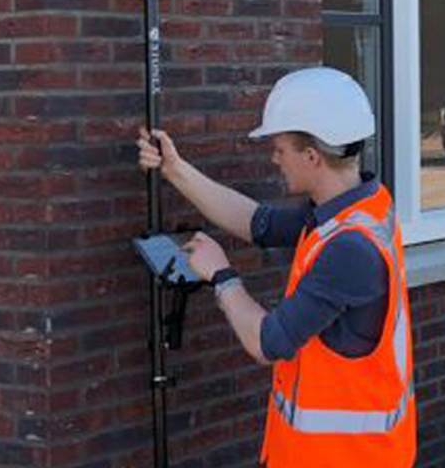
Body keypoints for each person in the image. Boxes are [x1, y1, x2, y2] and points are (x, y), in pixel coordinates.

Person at [136, 67, 416, 468]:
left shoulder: (349, 248)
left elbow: (267, 343)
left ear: (312, 157)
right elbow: (258, 223)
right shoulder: (358, 207)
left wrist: (222, 275)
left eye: (280, 149)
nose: (274, 158)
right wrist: (175, 169)